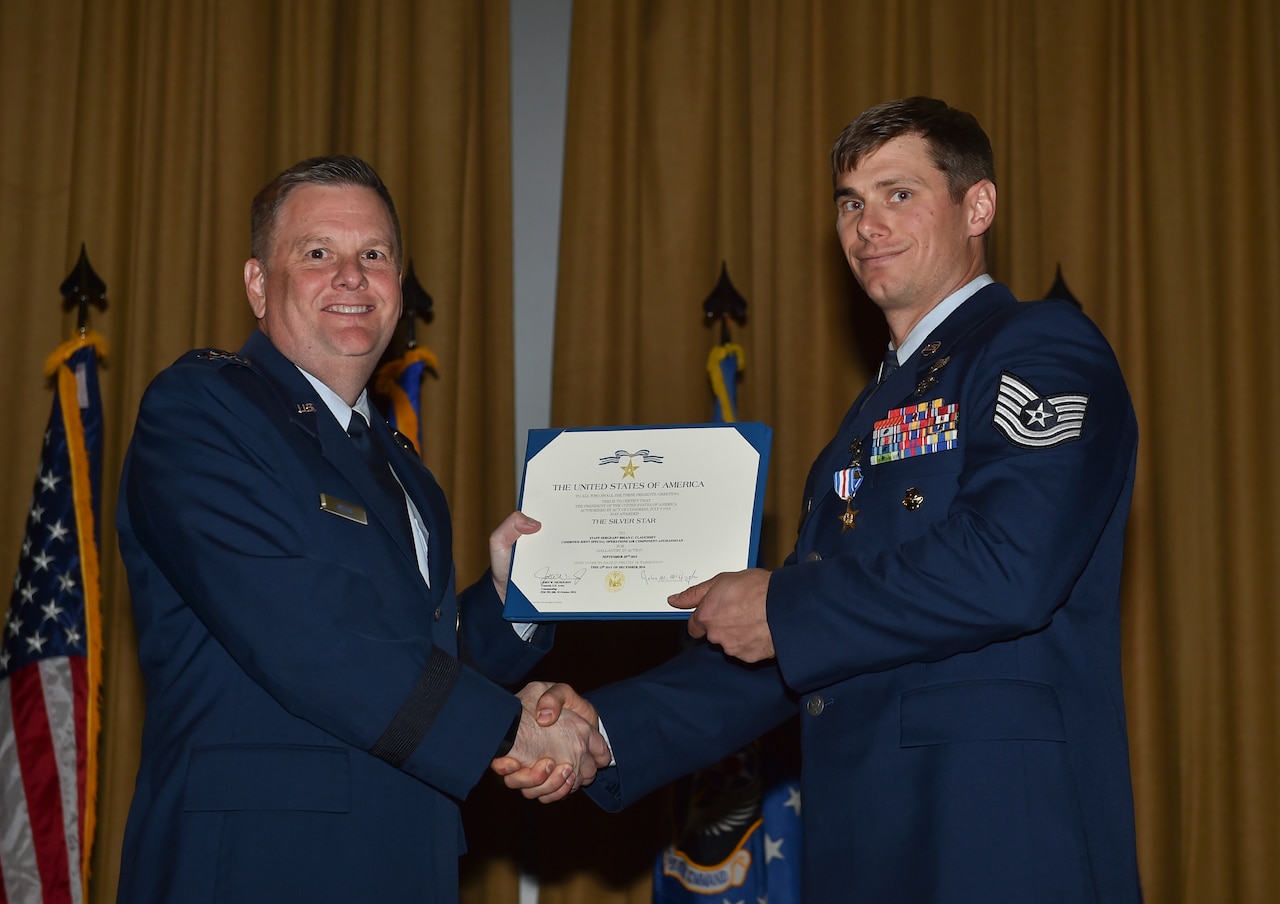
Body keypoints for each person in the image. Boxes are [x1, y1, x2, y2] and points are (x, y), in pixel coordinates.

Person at [497, 97, 1143, 901]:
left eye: (898, 194)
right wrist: (605, 730)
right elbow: (802, 648)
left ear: (977, 205)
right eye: (851, 202)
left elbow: (1010, 564)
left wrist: (784, 606)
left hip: (996, 833)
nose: (867, 225)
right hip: (863, 841)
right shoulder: (862, 426)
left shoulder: (1041, 345)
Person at [115, 155, 606, 903]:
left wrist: (517, 598)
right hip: (257, 862)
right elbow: (309, 635)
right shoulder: (201, 411)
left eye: (373, 255)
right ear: (257, 284)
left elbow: (413, 652)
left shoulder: (404, 469)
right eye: (318, 254)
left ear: (398, 290)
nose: (351, 275)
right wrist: (510, 731)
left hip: (407, 852)